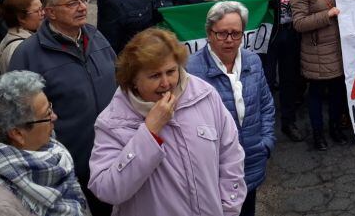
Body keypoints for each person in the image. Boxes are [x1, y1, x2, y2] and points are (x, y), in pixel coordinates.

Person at [88, 28, 246, 216]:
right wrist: (149, 132)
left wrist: (229, 210)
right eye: (155, 76)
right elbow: (107, 189)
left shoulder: (204, 95)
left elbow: (231, 157)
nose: (166, 83)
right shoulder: (112, 122)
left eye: (171, 71)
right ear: (133, 80)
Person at [9, 0, 117, 215]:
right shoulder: (28, 55)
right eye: (72, 3)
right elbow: (18, 118)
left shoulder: (96, 37)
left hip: (113, 159)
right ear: (50, 12)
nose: (82, 7)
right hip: (71, 169)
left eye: (83, 0)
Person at [186, 2, 275, 216]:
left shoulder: (253, 61)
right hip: (213, 171)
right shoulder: (190, 71)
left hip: (253, 159)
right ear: (209, 33)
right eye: (222, 34)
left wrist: (266, 143)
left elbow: (266, 105)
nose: (229, 40)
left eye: (235, 34)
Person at [0, 71, 89, 216]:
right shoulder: (3, 204)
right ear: (18, 134)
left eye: (50, 108)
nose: (54, 116)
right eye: (46, 114)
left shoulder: (54, 151)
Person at [241, 0, 303, 143]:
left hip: (292, 32)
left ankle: (289, 122)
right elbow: (248, 7)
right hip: (268, 36)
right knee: (264, 80)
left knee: (289, 79)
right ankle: (262, 125)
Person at [290, 0, 347, 151]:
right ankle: (318, 134)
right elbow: (299, 23)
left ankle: (335, 128)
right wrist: (327, 14)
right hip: (317, 51)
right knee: (315, 94)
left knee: (337, 92)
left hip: (338, 48)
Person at [0, 0, 43, 74]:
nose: (42, 13)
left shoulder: (16, 38)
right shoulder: (17, 48)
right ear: (21, 18)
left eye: (42, 8)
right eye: (37, 11)